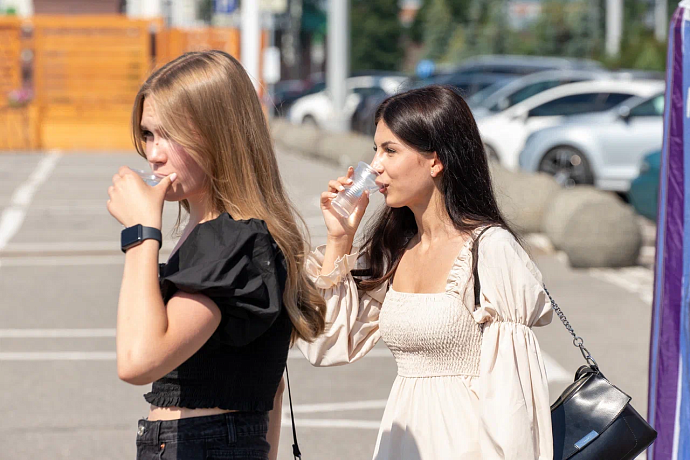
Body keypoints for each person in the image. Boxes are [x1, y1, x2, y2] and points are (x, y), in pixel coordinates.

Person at [297, 85, 554, 459]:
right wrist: (340, 240)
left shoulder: (490, 249)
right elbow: (325, 347)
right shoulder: (394, 249)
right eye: (376, 149)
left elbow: (514, 405)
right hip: (403, 443)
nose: (375, 165)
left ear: (435, 161)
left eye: (390, 150)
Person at [106, 50, 326, 460]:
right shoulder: (223, 235)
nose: (153, 154)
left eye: (170, 135)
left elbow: (137, 361)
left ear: (218, 135)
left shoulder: (232, 242)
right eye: (148, 134)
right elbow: (271, 386)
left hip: (200, 445)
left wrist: (140, 232)